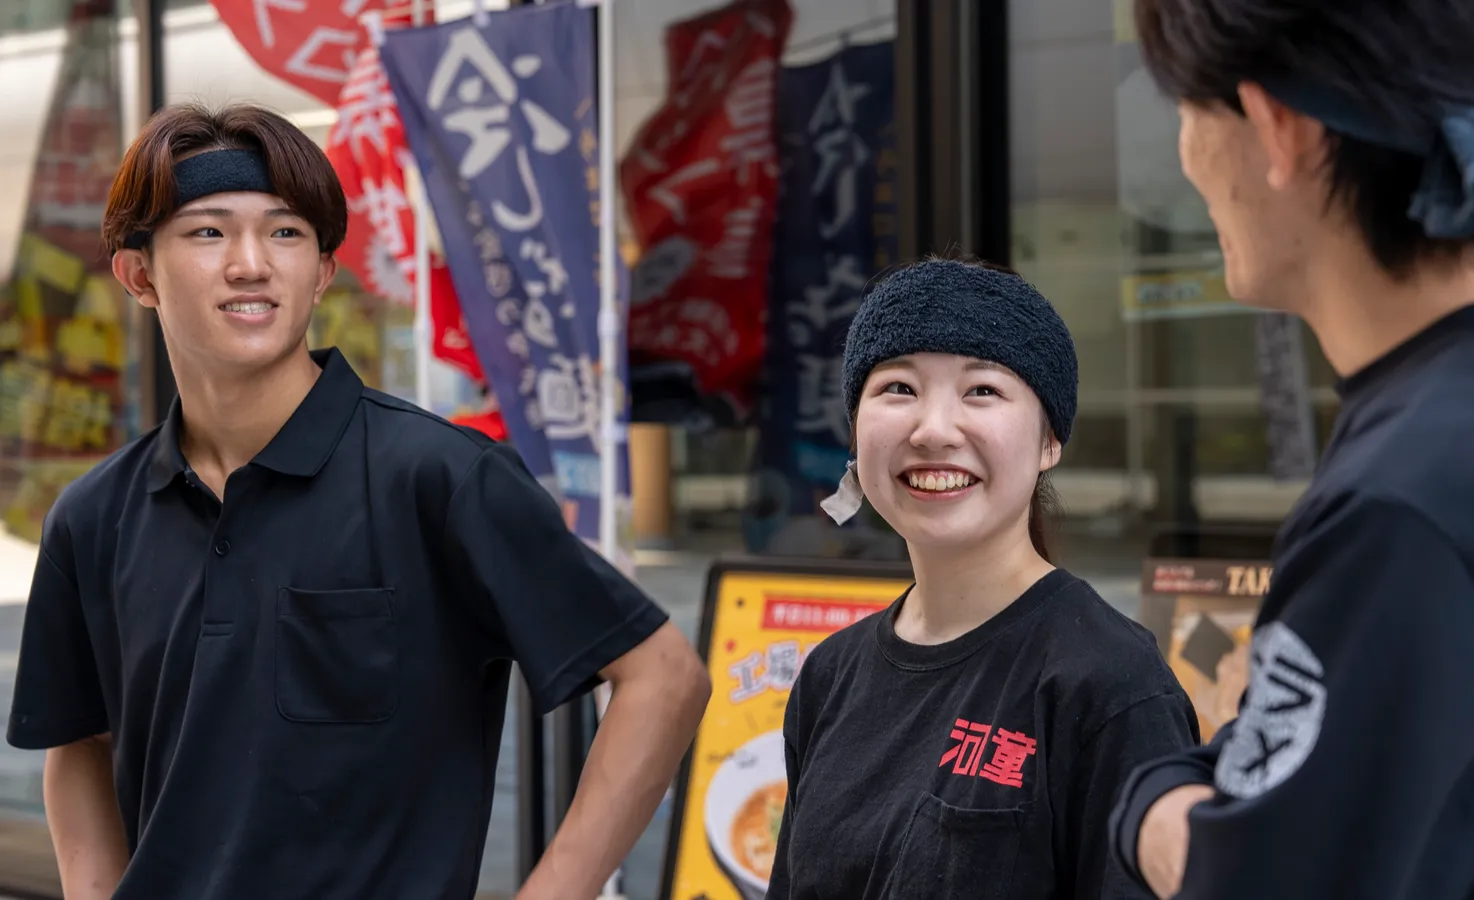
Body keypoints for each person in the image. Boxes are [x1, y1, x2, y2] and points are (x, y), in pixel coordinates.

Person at [6, 102, 711, 900]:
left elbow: (663, 677)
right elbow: (79, 745)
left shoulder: (439, 478)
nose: (251, 263)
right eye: (208, 232)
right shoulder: (93, 517)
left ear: (323, 273)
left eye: (286, 233)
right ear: (138, 274)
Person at [1109, 1, 1474, 898]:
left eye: (1186, 111)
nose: (1185, 157)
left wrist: (1151, 802)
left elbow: (1252, 873)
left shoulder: (1405, 508)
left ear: (1278, 127)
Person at [765, 257, 1201, 899]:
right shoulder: (830, 676)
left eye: (983, 391)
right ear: (855, 432)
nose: (934, 430)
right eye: (898, 389)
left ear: (1051, 440)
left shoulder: (1110, 681)